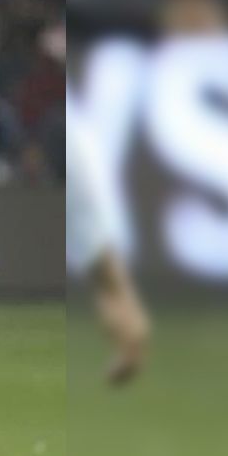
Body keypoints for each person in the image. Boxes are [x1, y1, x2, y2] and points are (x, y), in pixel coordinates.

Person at [65, 94, 149, 384]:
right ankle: (131, 341)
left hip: (78, 176)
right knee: (108, 276)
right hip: (84, 170)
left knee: (104, 277)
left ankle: (129, 346)